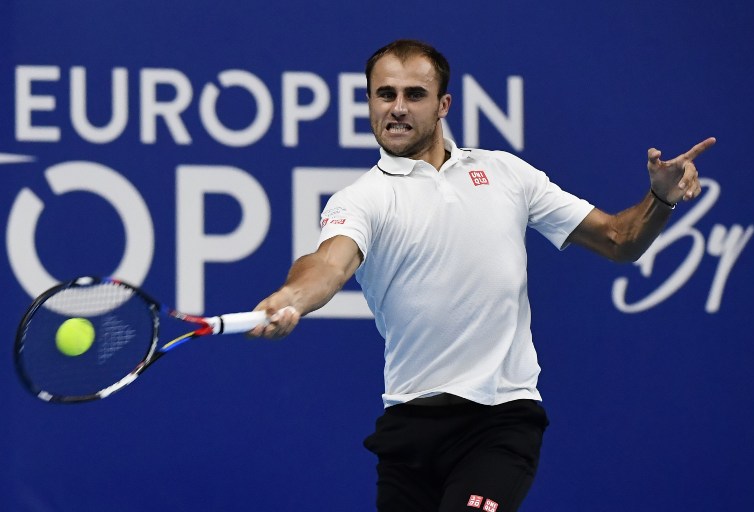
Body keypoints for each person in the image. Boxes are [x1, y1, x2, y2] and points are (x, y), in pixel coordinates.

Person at [249, 39, 715, 512]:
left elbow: (619, 239)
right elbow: (329, 263)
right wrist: (292, 296)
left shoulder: (506, 174)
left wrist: (659, 199)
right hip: (408, 426)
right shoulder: (361, 200)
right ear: (369, 101)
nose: (397, 108)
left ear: (443, 104)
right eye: (385, 94)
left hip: (500, 421)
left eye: (414, 95)